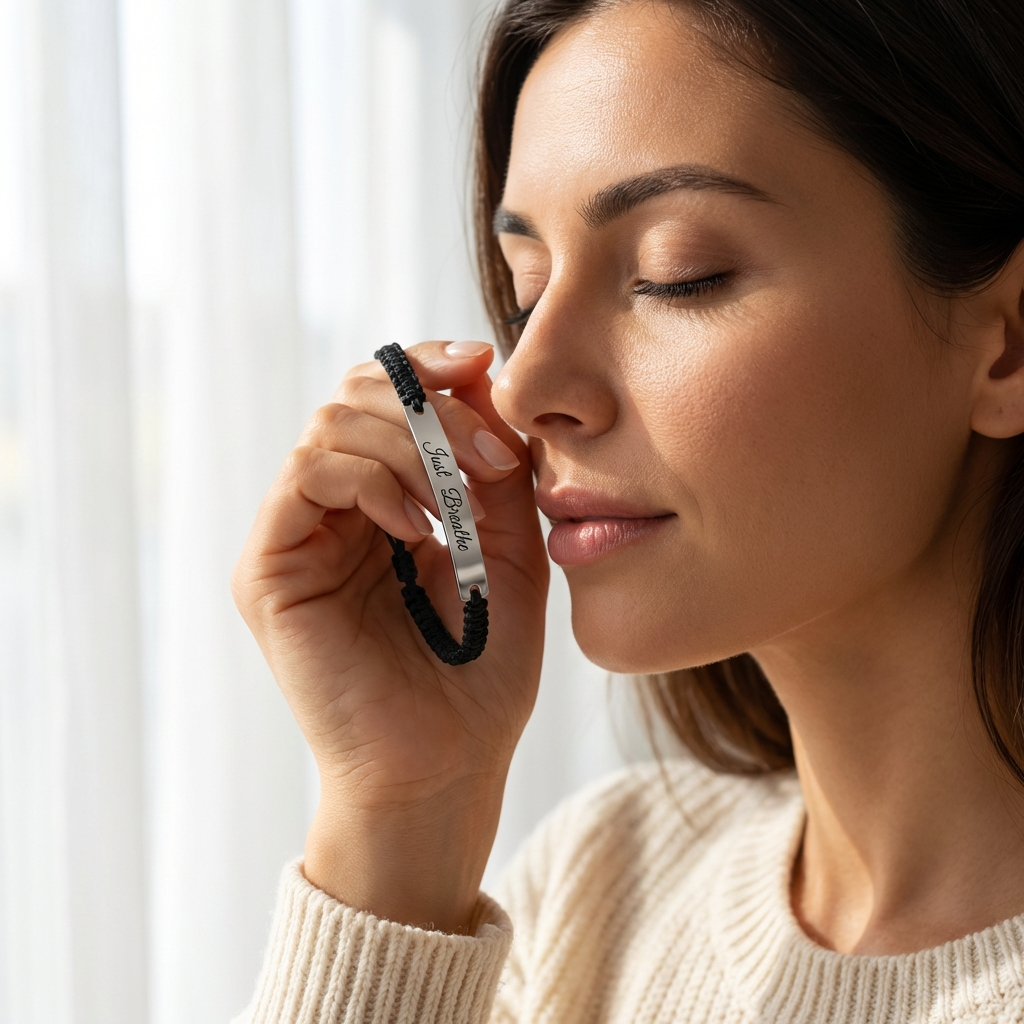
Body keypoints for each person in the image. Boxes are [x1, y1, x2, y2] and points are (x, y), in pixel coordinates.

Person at [230, 0, 1024, 1020]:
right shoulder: (599, 889)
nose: (522, 386)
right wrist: (402, 812)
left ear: (1008, 342)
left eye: (674, 276)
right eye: (526, 291)